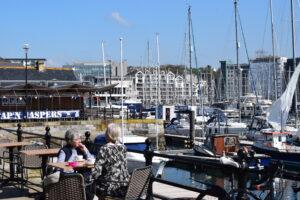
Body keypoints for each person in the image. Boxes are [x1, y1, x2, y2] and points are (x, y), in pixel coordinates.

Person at [92, 123, 130, 198]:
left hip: (110, 186)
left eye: (106, 131)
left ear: (108, 134)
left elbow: (97, 171)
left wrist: (87, 180)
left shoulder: (105, 148)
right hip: (124, 185)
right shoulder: (123, 147)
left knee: (89, 186)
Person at [57, 129, 94, 200]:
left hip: (83, 175)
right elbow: (59, 165)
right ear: (69, 141)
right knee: (80, 183)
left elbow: (91, 160)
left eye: (80, 138)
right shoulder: (64, 151)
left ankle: (89, 196)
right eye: (76, 139)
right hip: (69, 176)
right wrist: (75, 161)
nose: (79, 141)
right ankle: (90, 197)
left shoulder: (80, 149)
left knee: (89, 178)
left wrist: (85, 150)